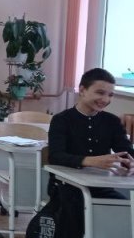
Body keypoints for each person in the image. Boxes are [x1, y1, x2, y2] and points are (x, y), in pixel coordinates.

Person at [47, 67, 134, 199]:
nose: (105, 100)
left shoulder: (112, 121)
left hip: (101, 186)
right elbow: (55, 156)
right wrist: (90, 161)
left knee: (125, 207)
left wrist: (131, 163)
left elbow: (127, 151)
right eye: (100, 93)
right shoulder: (61, 120)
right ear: (82, 90)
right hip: (66, 186)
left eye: (110, 95)